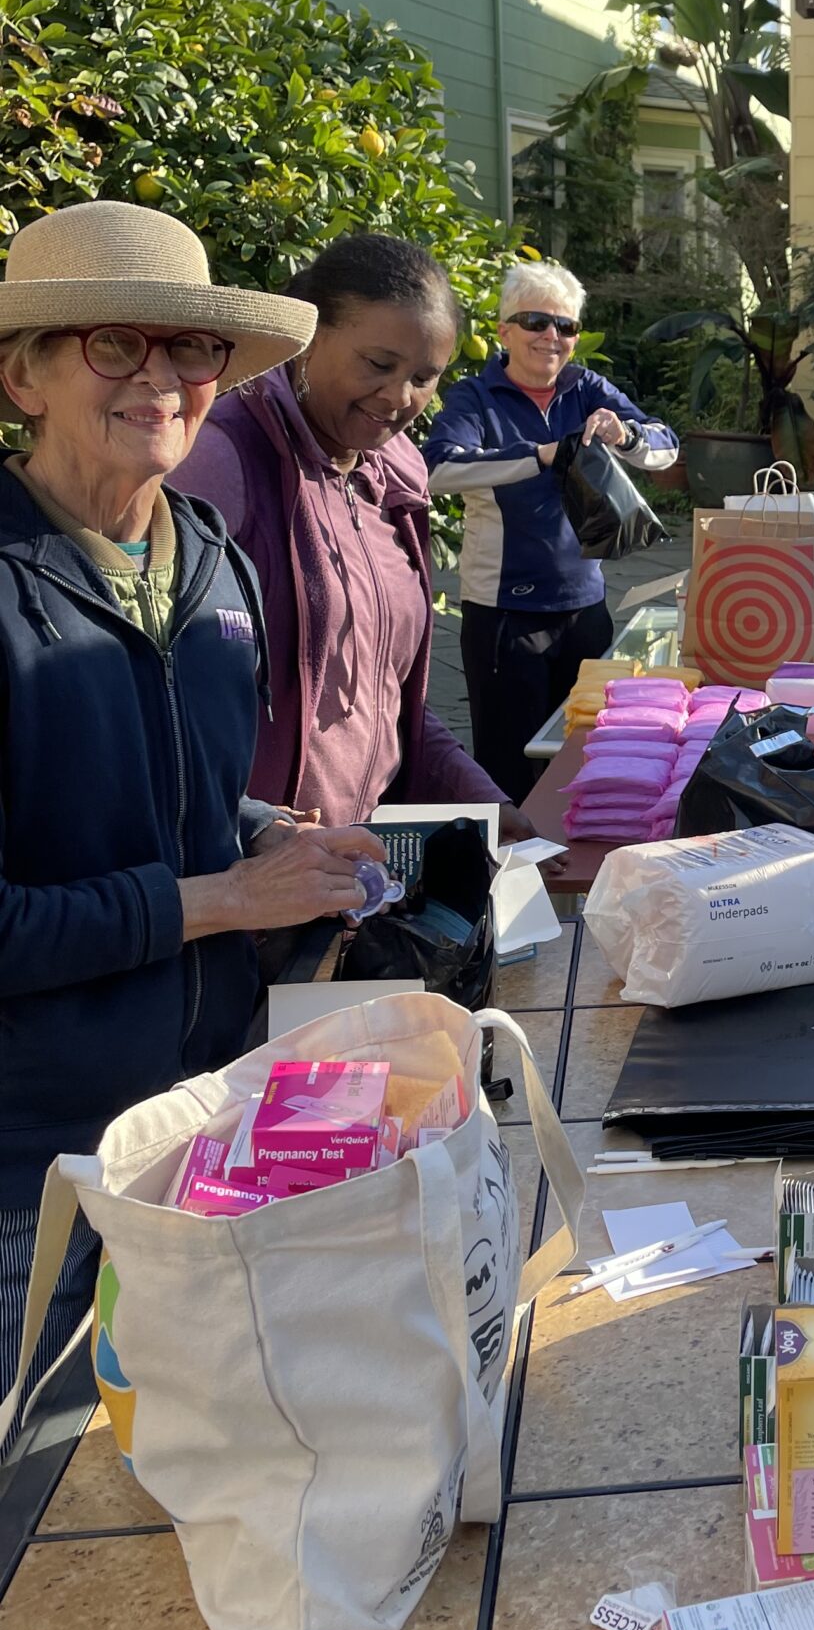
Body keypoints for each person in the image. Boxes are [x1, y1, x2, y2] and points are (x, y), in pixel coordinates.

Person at [0, 203, 387, 1406]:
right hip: (36, 1176)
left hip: (206, 1131)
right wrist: (224, 898)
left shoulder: (213, 555)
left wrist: (278, 838)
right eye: (116, 344)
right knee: (32, 1527)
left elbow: (192, 798)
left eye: (190, 349)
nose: (160, 379)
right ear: (25, 374)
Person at [179, 234, 527, 835]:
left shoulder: (390, 475)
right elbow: (160, 704)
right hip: (253, 885)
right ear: (308, 338)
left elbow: (383, 689)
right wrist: (254, 844)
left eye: (425, 376)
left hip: (358, 879)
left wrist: (476, 796)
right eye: (378, 365)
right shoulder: (222, 460)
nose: (399, 397)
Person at [423, 260, 678, 802]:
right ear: (504, 331)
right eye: (536, 321)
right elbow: (437, 469)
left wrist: (625, 434)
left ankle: (576, 874)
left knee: (588, 759)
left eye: (565, 326)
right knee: (507, 771)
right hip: (504, 615)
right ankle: (508, 878)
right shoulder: (475, 398)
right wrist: (535, 456)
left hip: (586, 608)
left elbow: (666, 445)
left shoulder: (585, 387)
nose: (551, 337)